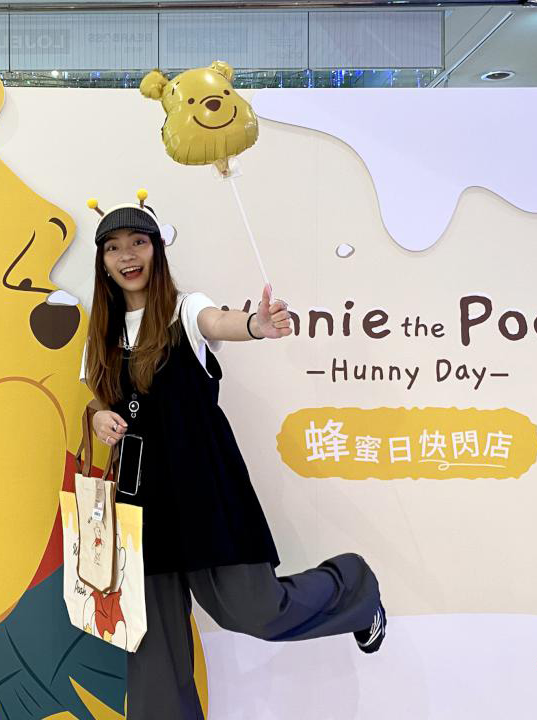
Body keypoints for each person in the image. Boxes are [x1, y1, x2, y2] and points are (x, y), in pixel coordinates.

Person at [79, 192, 386, 719]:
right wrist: (96, 416)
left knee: (256, 609)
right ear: (103, 261)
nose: (127, 255)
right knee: (152, 654)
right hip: (139, 500)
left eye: (138, 242)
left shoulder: (183, 309)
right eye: (113, 247)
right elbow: (99, 399)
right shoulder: (100, 333)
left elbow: (220, 322)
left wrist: (256, 325)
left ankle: (354, 587)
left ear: (156, 250)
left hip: (204, 488)